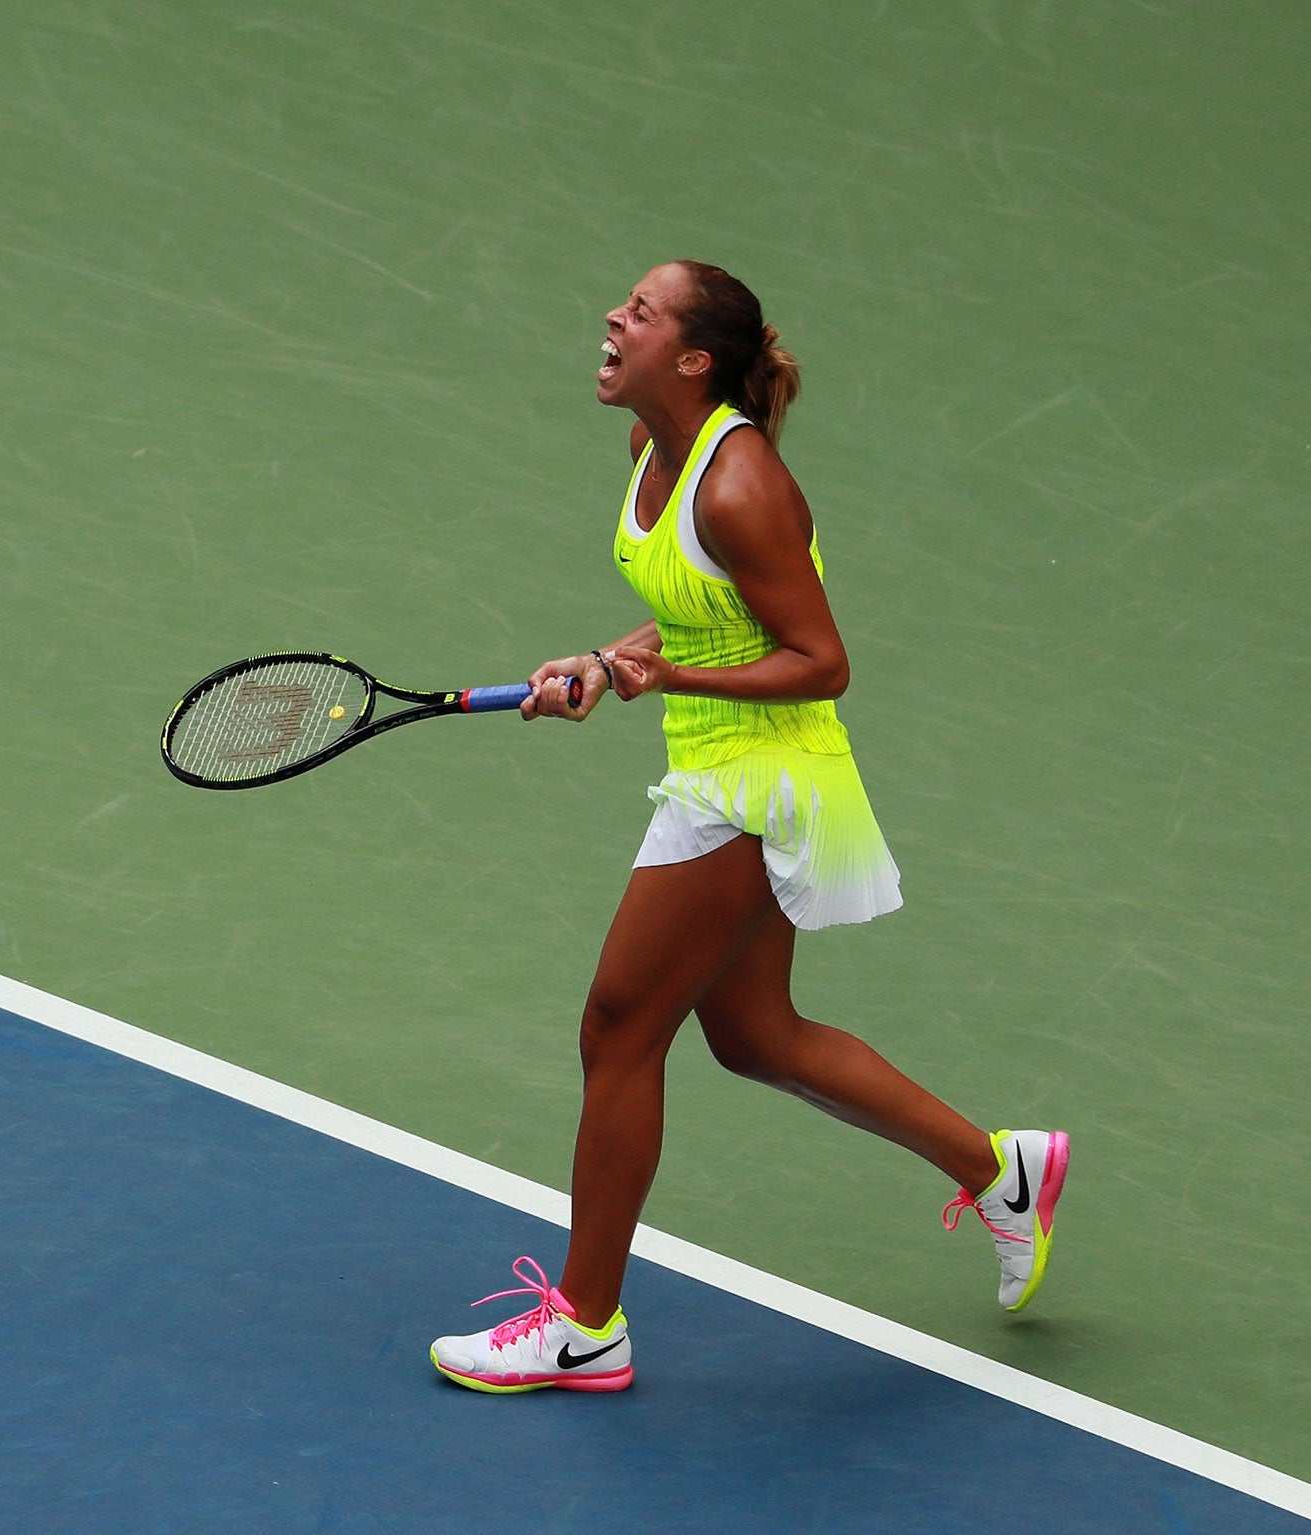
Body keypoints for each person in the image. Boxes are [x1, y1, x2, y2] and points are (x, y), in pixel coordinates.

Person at [427, 260, 1069, 1394]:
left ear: (689, 358)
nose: (610, 316)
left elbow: (821, 661)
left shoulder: (739, 485)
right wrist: (605, 660)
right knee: (753, 1034)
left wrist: (664, 672)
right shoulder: (651, 454)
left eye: (640, 309)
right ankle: (998, 1168)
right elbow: (695, 610)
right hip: (714, 759)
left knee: (617, 1026)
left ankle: (584, 1322)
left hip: (757, 783)